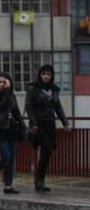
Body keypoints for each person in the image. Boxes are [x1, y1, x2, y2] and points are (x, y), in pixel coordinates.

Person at [25, 64, 70, 192]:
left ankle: (40, 179)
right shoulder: (33, 88)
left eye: (48, 74)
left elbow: (58, 107)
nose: (46, 76)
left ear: (52, 76)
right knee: (46, 148)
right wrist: (33, 123)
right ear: (40, 75)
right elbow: (29, 107)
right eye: (44, 74)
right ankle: (39, 180)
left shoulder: (54, 89)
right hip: (39, 124)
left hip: (50, 124)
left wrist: (65, 122)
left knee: (48, 152)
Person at [0, 74, 24, 195]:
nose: (2, 84)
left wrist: (23, 127)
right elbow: (2, 106)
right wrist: (7, 91)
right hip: (0, 130)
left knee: (11, 159)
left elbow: (17, 112)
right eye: (0, 82)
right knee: (6, 157)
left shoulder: (12, 95)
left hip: (12, 130)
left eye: (5, 82)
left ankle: (8, 186)